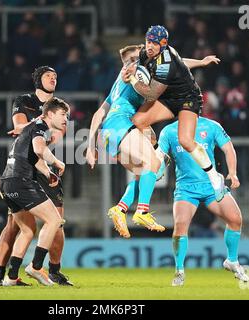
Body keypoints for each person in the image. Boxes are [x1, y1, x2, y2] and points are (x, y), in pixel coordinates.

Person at [86, 44, 218, 238]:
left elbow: (98, 114)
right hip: (120, 124)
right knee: (154, 162)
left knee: (143, 173)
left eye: (134, 60)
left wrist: (200, 62)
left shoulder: (122, 83)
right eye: (127, 62)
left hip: (110, 133)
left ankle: (120, 208)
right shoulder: (135, 74)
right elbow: (174, 68)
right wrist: (89, 148)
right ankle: (142, 211)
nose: (131, 64)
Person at [121, 25, 226, 202]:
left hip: (187, 98)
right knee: (137, 121)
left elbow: (151, 94)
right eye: (148, 41)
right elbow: (181, 61)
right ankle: (157, 157)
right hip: (169, 97)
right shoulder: (149, 53)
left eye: (154, 43)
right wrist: (201, 62)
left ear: (163, 45)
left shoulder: (165, 64)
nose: (149, 46)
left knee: (185, 140)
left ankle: (215, 178)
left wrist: (132, 79)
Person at [0, 66, 73, 286]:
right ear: (38, 80)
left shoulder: (57, 109)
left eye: (56, 76)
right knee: (15, 225)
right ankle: (1, 273)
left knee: (57, 222)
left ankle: (53, 270)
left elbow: (54, 137)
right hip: (25, 167)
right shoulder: (24, 101)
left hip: (41, 167)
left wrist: (49, 165)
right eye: (48, 75)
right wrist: (38, 123)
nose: (53, 78)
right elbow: (20, 127)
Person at [156, 116, 249, 286]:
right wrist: (157, 171)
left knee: (235, 219)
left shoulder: (211, 126)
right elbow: (160, 156)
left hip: (211, 186)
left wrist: (233, 172)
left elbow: (228, 148)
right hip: (186, 188)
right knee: (180, 225)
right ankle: (179, 271)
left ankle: (232, 261)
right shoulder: (169, 131)